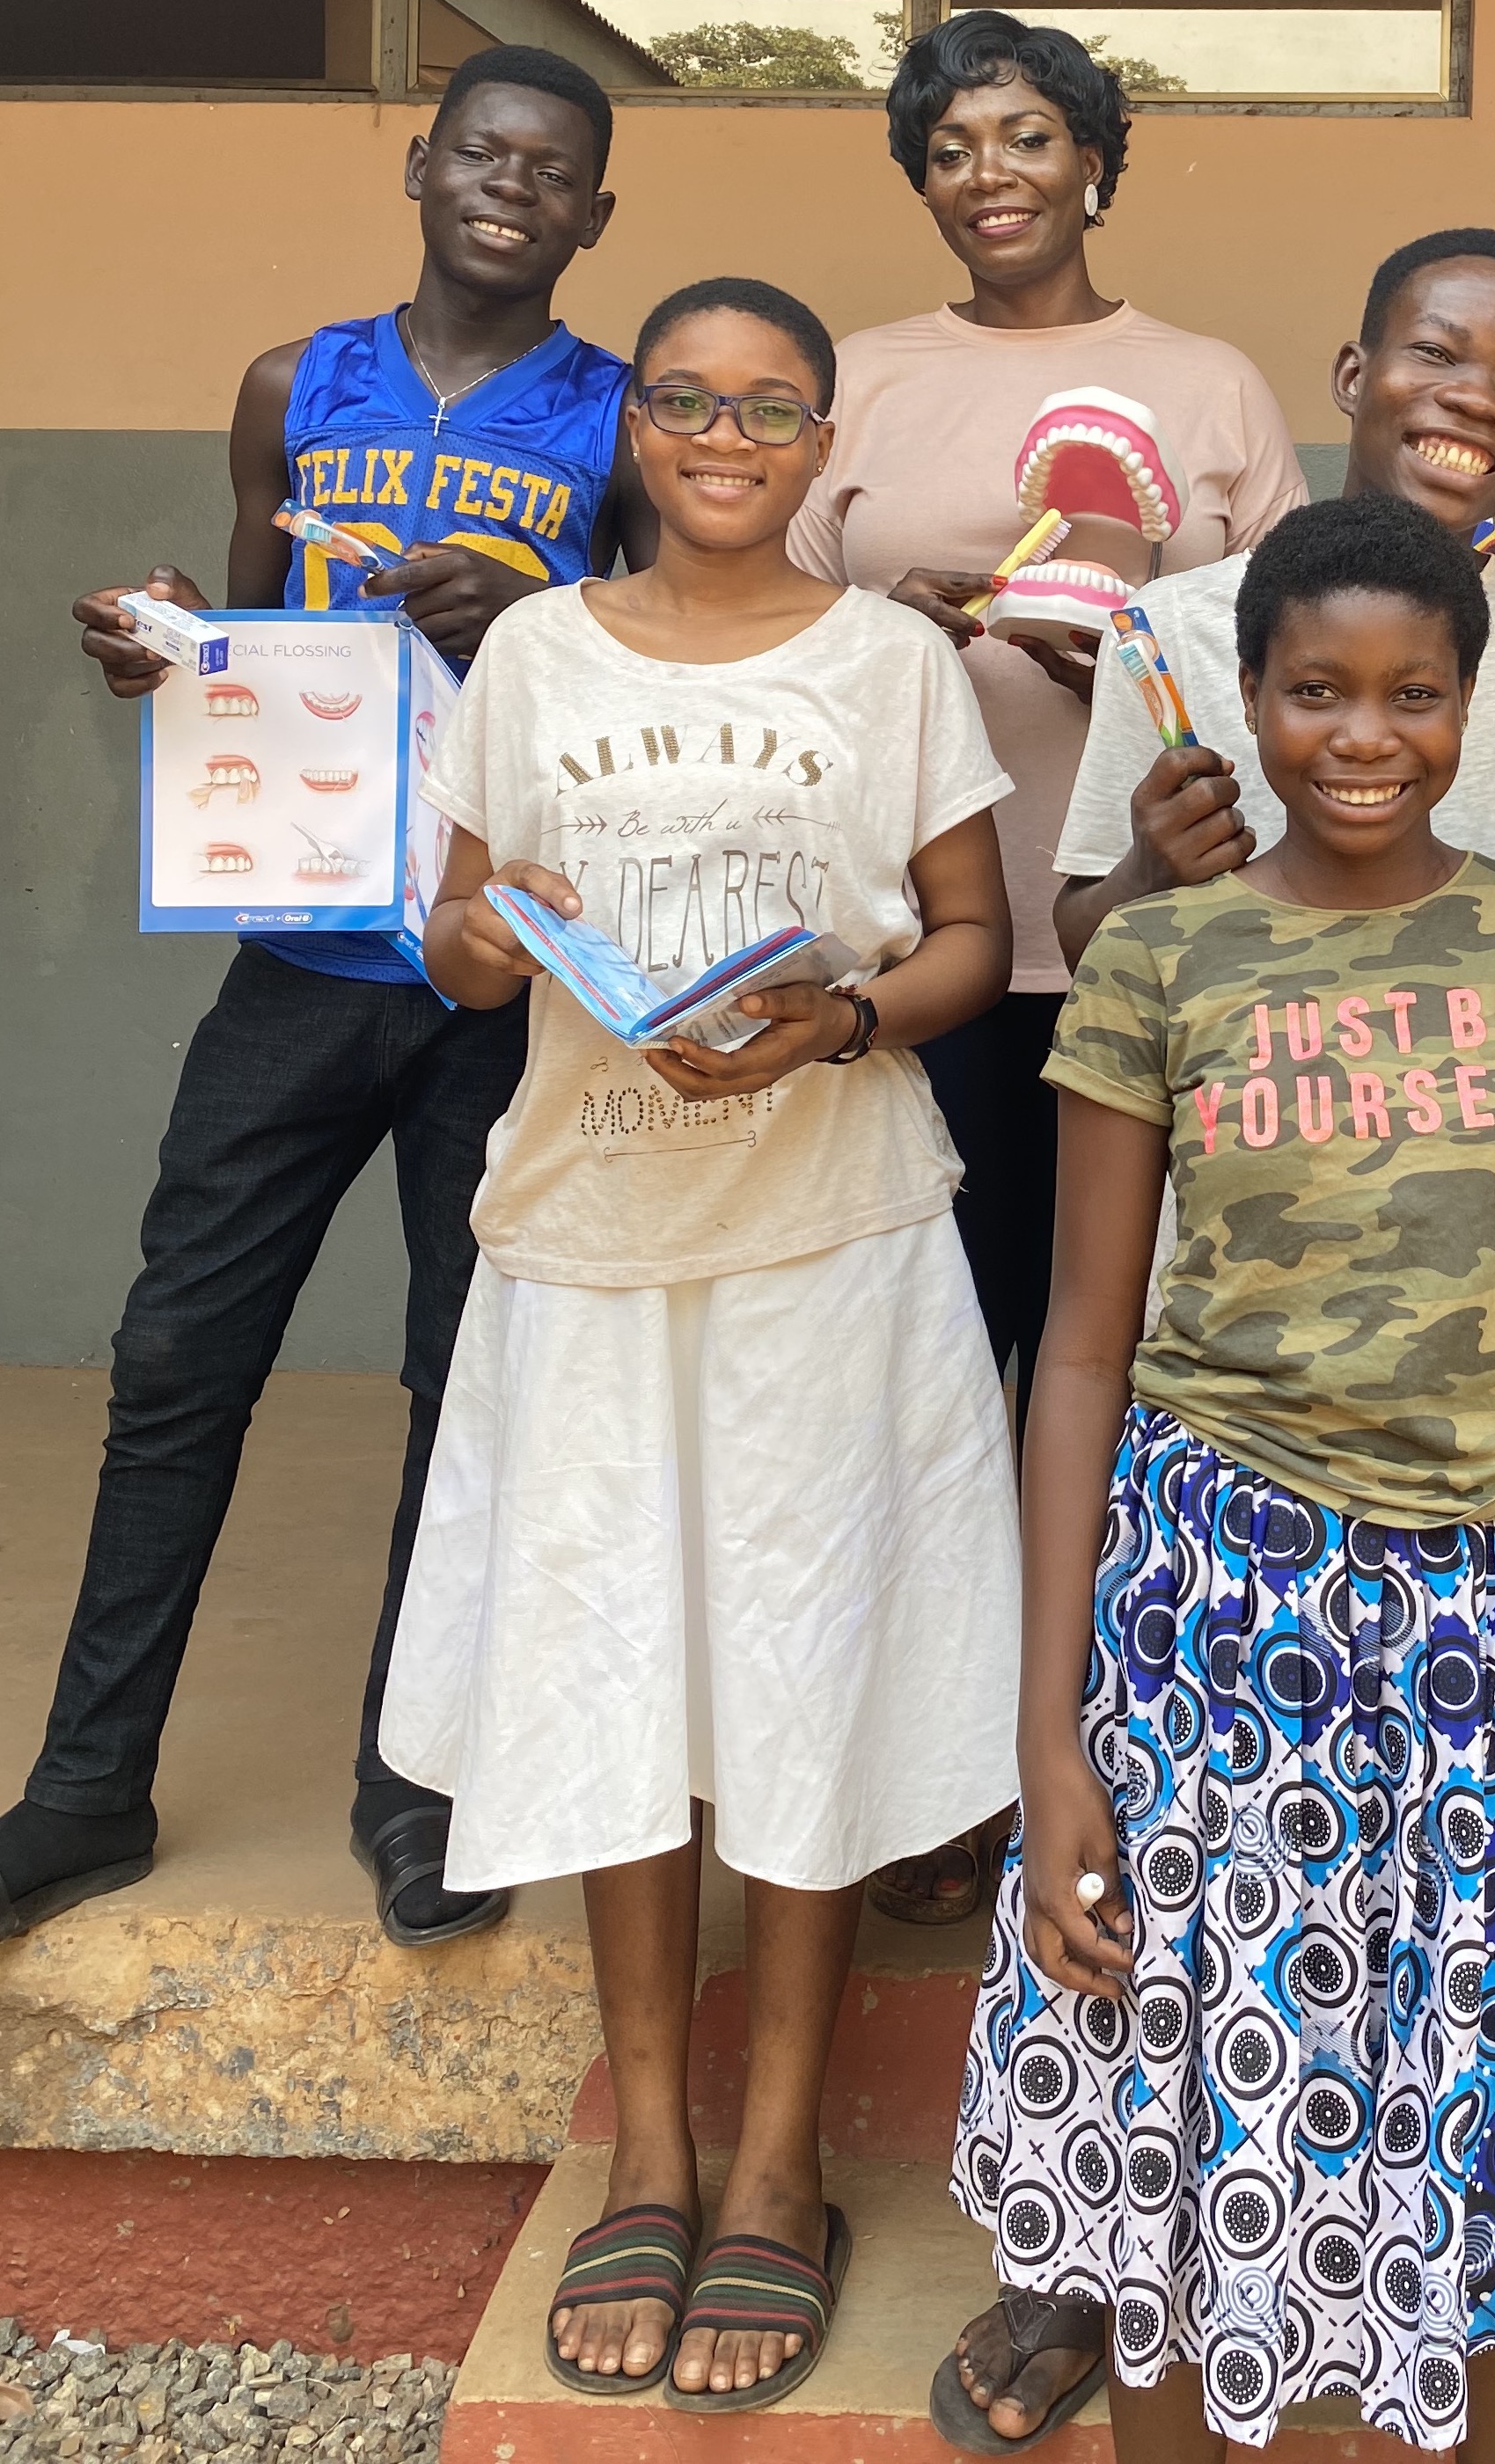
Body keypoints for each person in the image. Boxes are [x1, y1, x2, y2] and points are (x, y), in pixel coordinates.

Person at [950, 494, 1495, 2463]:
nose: (1364, 736)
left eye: (1413, 694)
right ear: (1245, 700)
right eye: (1316, 692)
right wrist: (1049, 1730)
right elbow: (1086, 1352)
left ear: (1476, 705)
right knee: (1202, 2119)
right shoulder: (1160, 961)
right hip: (1219, 1612)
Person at [386, 277, 1021, 2412]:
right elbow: (463, 936)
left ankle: (774, 2168)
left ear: (822, 435)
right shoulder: (534, 649)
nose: (725, 431)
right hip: (583, 1237)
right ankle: (643, 2146)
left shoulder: (894, 659)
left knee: (803, 1678)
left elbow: (968, 941)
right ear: (632, 425)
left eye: (769, 403)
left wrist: (836, 1014)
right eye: (685, 397)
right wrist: (476, 930)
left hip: (827, 1235)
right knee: (606, 1678)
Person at [6, 45, 652, 1951]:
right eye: (480, 152)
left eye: (552, 169)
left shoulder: (619, 418)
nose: (509, 186)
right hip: (293, 957)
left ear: (593, 217)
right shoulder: (298, 384)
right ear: (418, 162)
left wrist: (525, 622)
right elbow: (246, 631)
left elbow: (631, 675)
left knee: (462, 1390)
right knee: (176, 1361)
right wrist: (163, 651)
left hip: (491, 970)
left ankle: (414, 1788)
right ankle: (85, 1788)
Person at [791, 8, 1304, 1926]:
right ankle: (941, 1764)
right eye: (950, 146)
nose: (988, 173)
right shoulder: (857, 379)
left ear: (1097, 158)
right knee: (943, 1368)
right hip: (924, 960)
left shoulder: (1207, 384)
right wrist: (900, 634)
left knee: (1124, 1371)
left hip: (1155, 955)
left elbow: (1289, 671)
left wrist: (1141, 677)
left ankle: (1109, 1744)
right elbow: (785, 635)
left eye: (1025, 136)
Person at [1052, 228, 1495, 981]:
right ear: (1352, 375)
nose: (1476, 397)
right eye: (1437, 353)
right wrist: (1147, 874)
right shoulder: (1166, 629)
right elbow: (1085, 945)